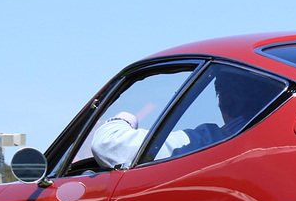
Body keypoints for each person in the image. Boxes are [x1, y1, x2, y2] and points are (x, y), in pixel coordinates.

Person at [91, 68, 273, 170]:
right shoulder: (279, 142)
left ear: (222, 98)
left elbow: (107, 144)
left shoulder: (207, 142)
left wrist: (125, 118)